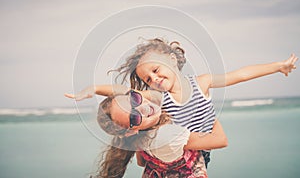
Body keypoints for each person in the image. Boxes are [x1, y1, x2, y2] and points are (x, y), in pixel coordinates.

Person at [65, 38, 297, 167]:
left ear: (172, 59)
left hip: (193, 155)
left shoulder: (201, 83)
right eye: (148, 78)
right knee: (145, 153)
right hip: (167, 152)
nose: (154, 79)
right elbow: (125, 91)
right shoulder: (157, 97)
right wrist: (95, 88)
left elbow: (241, 74)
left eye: (156, 70)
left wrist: (278, 66)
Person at [93, 90, 227, 178]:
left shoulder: (138, 136)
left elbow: (141, 162)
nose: (143, 108)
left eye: (134, 99)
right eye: (134, 117)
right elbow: (220, 140)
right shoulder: (167, 136)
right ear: (130, 131)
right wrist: (207, 111)